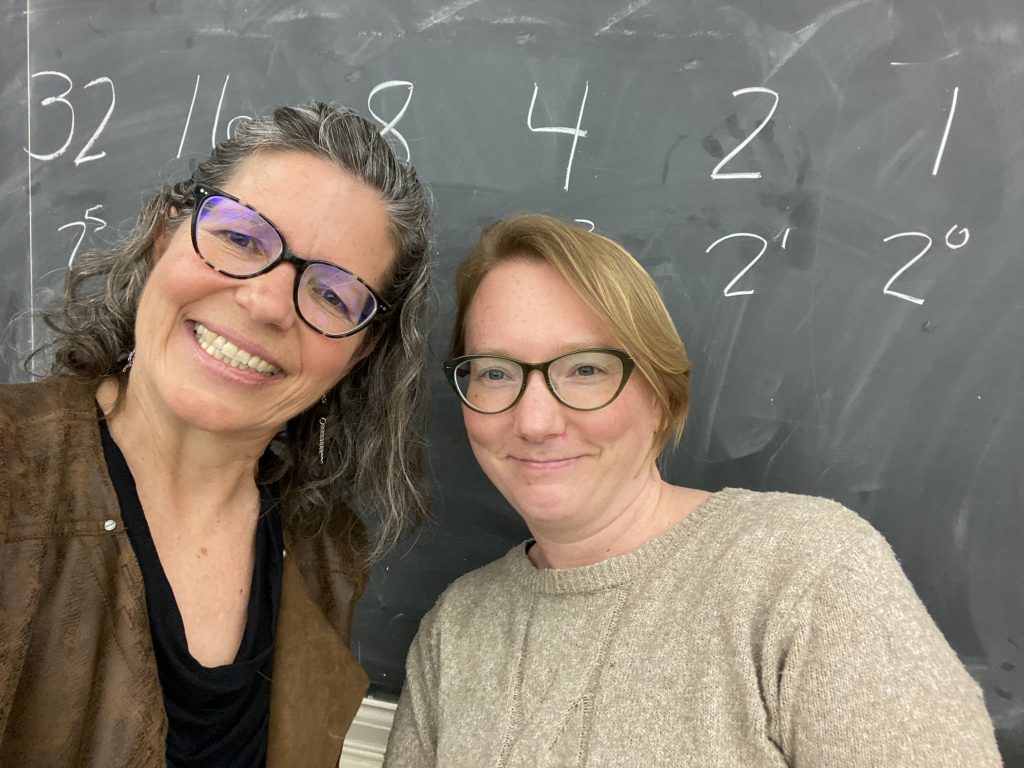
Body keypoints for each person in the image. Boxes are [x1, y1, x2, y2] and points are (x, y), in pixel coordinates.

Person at [384, 213, 1002, 767]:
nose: (535, 421)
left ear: (659, 395)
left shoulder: (806, 572)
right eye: (495, 372)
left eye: (586, 369)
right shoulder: (456, 630)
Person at [0, 101, 433, 766]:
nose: (265, 303)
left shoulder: (326, 555)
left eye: (331, 295)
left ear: (359, 352)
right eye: (241, 238)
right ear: (164, 238)